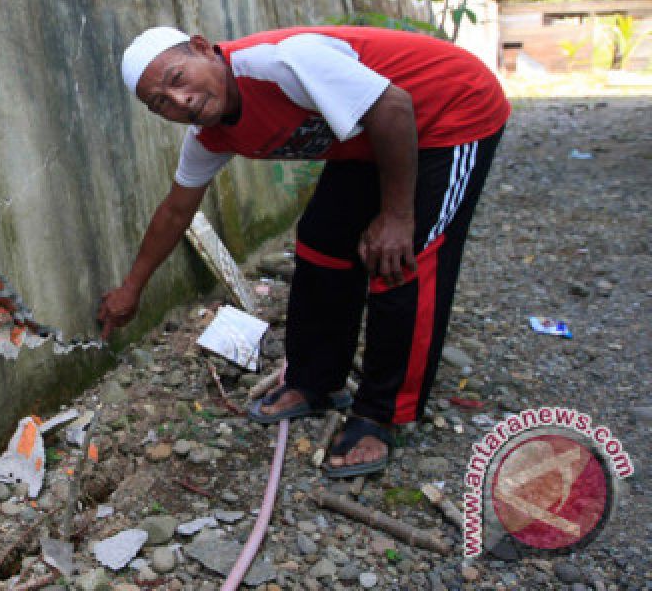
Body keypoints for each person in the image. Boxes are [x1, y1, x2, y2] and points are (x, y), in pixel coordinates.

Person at [96, 25, 509, 477]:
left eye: (177, 80)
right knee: (321, 243)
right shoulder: (210, 134)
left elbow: (394, 105)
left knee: (403, 257)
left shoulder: (281, 63)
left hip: (448, 111)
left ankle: (380, 414)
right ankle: (315, 382)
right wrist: (131, 289)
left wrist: (396, 217)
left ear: (201, 48)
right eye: (161, 104)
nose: (181, 102)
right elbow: (176, 211)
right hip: (374, 135)